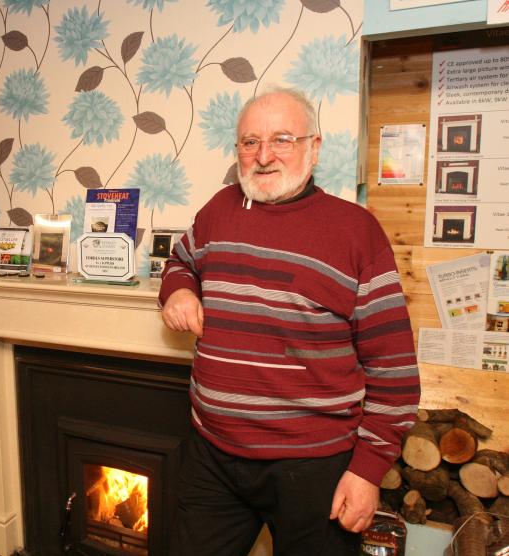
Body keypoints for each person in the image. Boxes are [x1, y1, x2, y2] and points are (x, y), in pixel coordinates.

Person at [159, 87, 421, 555]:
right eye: (249, 142)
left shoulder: (356, 232)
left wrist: (366, 472)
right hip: (211, 455)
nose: (262, 156)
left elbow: (394, 372)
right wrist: (179, 288)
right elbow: (181, 260)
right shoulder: (219, 210)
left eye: (282, 139)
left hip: (314, 467)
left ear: (314, 147)